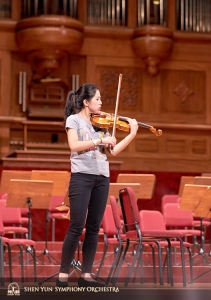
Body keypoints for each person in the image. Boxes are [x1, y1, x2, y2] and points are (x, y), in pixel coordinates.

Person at [56, 83, 138, 287]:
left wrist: (131, 134)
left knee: (93, 228)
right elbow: (74, 145)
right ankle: (63, 276)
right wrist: (99, 142)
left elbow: (114, 151)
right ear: (86, 101)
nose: (101, 103)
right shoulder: (73, 120)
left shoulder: (101, 124)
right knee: (76, 227)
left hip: (102, 177)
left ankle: (86, 276)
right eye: (98, 99)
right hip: (82, 177)